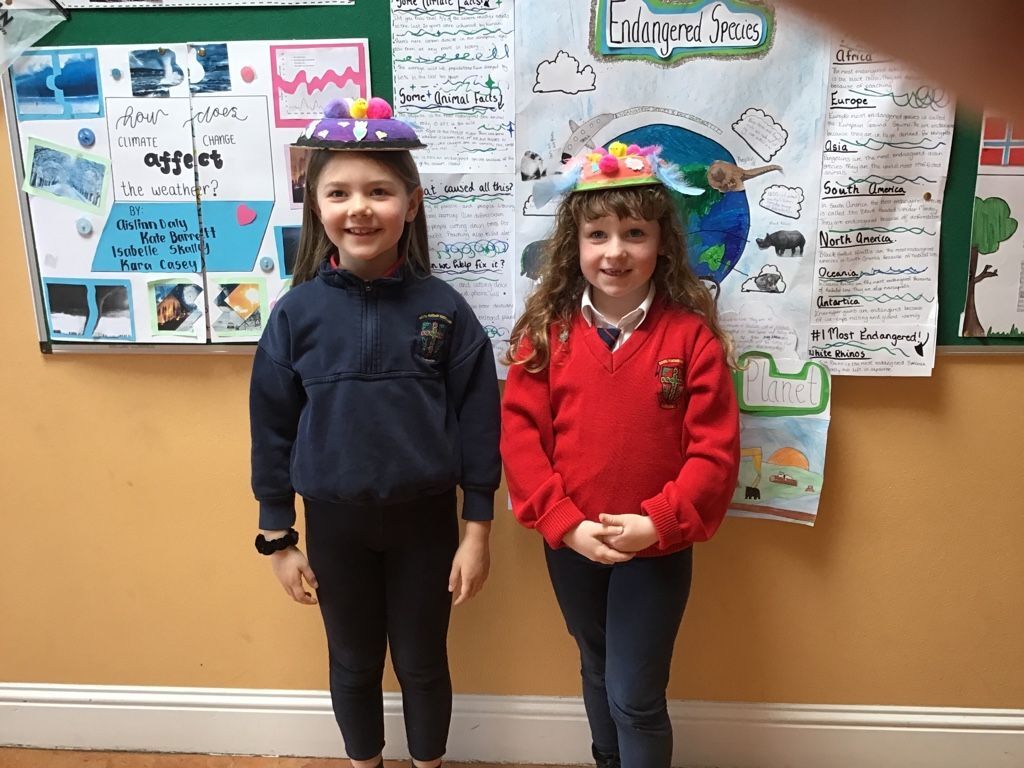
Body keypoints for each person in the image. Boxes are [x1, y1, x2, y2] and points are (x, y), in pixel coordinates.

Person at [249, 97, 501, 768]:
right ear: (315, 206)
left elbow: (480, 423)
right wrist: (278, 535)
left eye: (379, 191)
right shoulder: (294, 316)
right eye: (339, 192)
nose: (359, 208)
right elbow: (271, 429)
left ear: (411, 205)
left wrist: (477, 530)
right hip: (335, 527)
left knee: (422, 663)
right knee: (353, 663)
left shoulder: (445, 310)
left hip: (427, 525)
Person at [501, 143, 741, 768]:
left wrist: (657, 522)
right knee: (596, 667)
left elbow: (714, 453)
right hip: (572, 542)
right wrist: (565, 524)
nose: (615, 251)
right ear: (574, 245)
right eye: (598, 234)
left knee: (635, 694)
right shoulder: (545, 335)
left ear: (662, 243)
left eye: (635, 233)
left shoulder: (690, 338)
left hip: (655, 548)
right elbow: (521, 439)